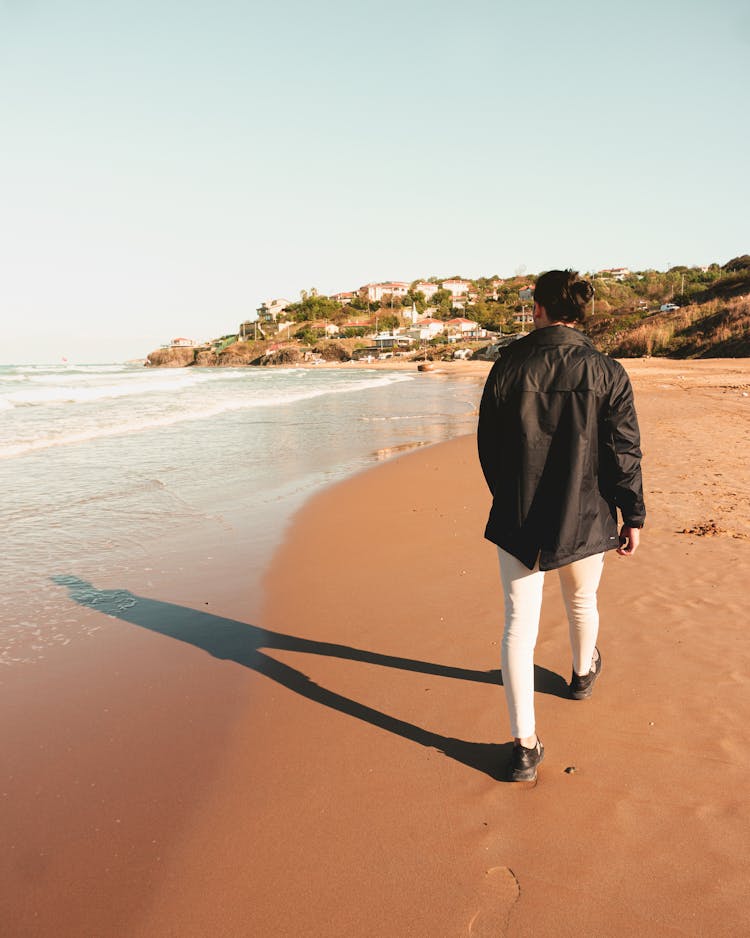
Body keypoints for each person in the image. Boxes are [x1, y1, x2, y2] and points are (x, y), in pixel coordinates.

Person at [477, 269, 645, 782]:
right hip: (586, 513)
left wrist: (509, 496)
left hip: (519, 515)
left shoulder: (508, 365)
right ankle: (580, 675)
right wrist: (632, 513)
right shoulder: (606, 370)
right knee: (580, 601)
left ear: (540, 308)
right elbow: (623, 451)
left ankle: (524, 746)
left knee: (517, 625)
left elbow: (488, 446)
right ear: (581, 312)